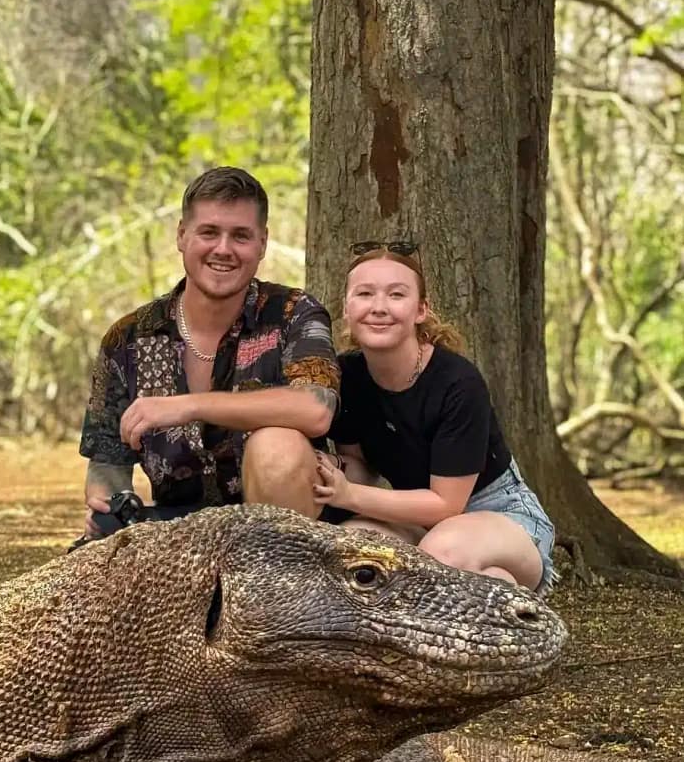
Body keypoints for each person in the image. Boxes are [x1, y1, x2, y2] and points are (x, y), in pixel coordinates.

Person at [79, 166, 340, 539]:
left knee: (275, 446)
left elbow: (316, 409)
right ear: (182, 235)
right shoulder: (128, 339)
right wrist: (110, 505)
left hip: (290, 539)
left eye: (240, 236)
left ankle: (273, 576)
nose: (223, 249)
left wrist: (187, 406)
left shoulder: (293, 314)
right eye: (209, 232)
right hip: (179, 532)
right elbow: (107, 463)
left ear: (262, 244)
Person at [312, 243, 556, 595]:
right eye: (364, 294)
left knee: (444, 554)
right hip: (417, 520)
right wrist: (321, 471)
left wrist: (348, 495)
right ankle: (497, 589)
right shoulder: (347, 376)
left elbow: (446, 505)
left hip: (500, 516)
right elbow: (361, 466)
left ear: (420, 310)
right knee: (350, 550)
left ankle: (494, 591)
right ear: (346, 309)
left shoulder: (457, 383)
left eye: (396, 295)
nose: (379, 307)